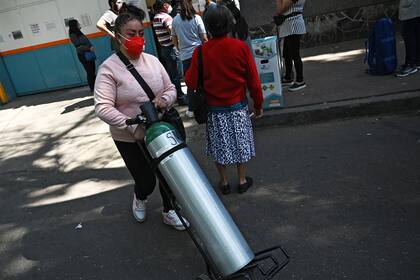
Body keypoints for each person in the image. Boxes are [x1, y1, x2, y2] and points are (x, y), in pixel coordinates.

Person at [94, 5, 189, 230]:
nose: (137, 38)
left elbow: (170, 88)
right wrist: (130, 127)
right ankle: (140, 196)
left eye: (140, 33)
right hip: (131, 138)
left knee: (169, 175)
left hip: (161, 130)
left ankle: (170, 210)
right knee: (146, 180)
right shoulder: (109, 69)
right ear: (118, 37)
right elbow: (102, 107)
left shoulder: (153, 60)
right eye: (131, 34)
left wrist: (165, 100)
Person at [185, 5, 263, 195]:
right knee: (240, 143)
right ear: (229, 24)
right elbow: (254, 82)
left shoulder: (200, 52)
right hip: (238, 107)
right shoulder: (241, 48)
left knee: (220, 146)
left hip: (214, 110)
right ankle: (242, 180)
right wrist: (258, 105)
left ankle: (225, 181)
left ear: (208, 26)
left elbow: (190, 81)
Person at [172, 0, 208, 118]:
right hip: (199, 54)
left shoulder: (175, 20)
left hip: (185, 56)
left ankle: (191, 109)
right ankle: (209, 104)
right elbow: (204, 37)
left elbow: (174, 38)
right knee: (204, 79)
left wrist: (180, 48)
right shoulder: (196, 18)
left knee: (190, 83)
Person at [153, 0, 186, 105]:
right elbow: (172, 32)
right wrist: (178, 45)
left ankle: (175, 95)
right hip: (171, 49)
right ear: (164, 6)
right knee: (176, 74)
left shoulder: (155, 18)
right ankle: (180, 97)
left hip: (163, 48)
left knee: (171, 74)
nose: (170, 6)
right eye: (168, 4)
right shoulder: (166, 17)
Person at [275, 0, 307, 91]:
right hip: (289, 25)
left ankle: (300, 81)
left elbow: (281, 9)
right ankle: (288, 77)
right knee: (286, 53)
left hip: (293, 25)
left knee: (295, 55)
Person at [68, 19, 96, 93]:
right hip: (83, 55)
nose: (79, 24)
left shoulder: (79, 33)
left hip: (88, 54)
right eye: (78, 23)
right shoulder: (73, 35)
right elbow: (77, 46)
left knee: (92, 72)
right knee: (90, 72)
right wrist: (89, 48)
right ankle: (93, 88)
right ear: (75, 25)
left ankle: (95, 87)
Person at [395, 0, 420, 77]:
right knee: (416, 33)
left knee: (409, 35)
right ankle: (417, 61)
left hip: (411, 7)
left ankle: (411, 64)